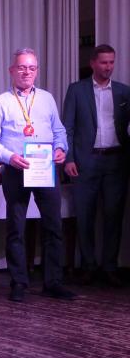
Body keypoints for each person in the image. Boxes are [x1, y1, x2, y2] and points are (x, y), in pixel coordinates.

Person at [0, 48, 76, 302]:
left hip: (45, 169)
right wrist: (9, 157)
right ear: (11, 70)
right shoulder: (1, 102)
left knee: (53, 226)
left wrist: (61, 149)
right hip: (16, 169)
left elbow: (59, 130)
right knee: (16, 228)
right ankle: (19, 282)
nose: (27, 72)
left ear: (37, 71)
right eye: (22, 67)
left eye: (32, 68)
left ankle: (53, 282)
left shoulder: (47, 99)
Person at [62, 45, 130, 287]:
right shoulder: (77, 90)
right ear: (92, 63)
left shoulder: (124, 92)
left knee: (113, 216)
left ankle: (110, 267)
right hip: (85, 162)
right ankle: (88, 266)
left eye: (111, 62)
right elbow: (67, 128)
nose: (108, 67)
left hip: (116, 161)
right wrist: (69, 158)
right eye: (103, 62)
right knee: (85, 216)